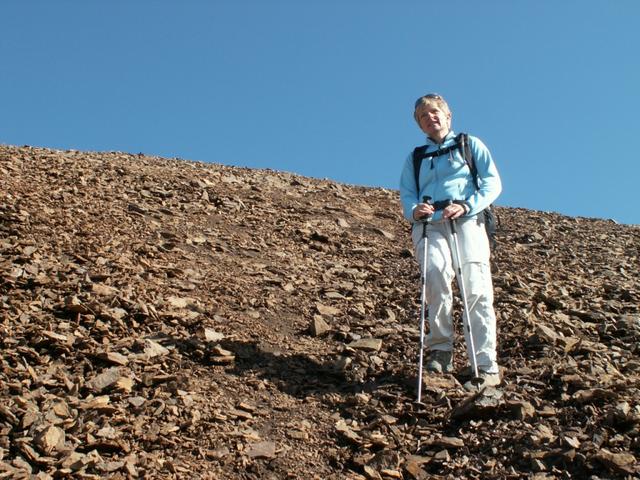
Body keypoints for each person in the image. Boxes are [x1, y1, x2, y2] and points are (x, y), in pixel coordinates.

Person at [399, 93, 502, 391]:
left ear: (447, 115)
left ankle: (485, 364)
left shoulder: (470, 144)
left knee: (476, 288)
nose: (430, 118)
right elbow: (407, 193)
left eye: (434, 112)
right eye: (423, 116)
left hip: (467, 220)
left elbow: (492, 183)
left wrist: (468, 205)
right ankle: (440, 350)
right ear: (419, 125)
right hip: (429, 225)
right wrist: (414, 210)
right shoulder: (415, 157)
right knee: (434, 275)